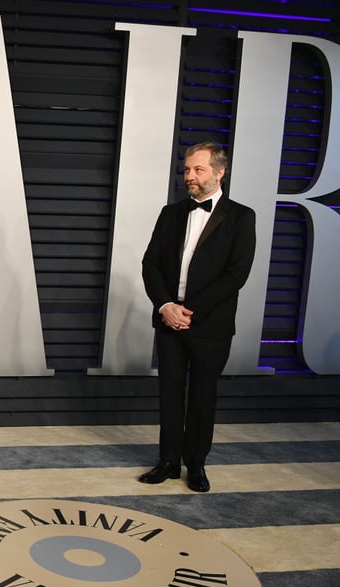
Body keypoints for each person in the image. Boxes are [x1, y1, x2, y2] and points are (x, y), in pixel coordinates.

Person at [139, 141, 256, 493]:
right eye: (187, 169)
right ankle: (168, 462)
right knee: (170, 394)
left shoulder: (241, 216)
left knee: (203, 396)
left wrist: (190, 312)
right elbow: (151, 264)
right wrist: (165, 306)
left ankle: (197, 465)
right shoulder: (170, 213)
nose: (190, 176)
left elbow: (237, 274)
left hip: (210, 325)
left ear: (220, 173)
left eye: (198, 170)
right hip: (169, 320)